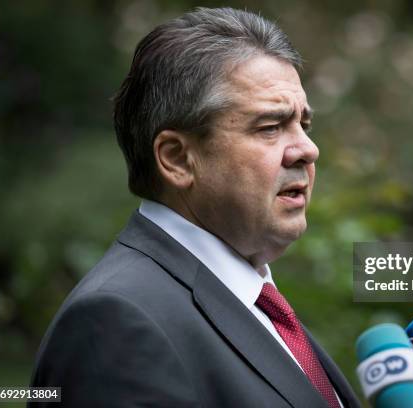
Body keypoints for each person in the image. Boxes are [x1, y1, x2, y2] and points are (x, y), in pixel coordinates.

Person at [29, 7, 360, 408]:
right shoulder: (115, 323)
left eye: (303, 125)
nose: (308, 150)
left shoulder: (254, 302)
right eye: (270, 127)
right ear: (177, 159)